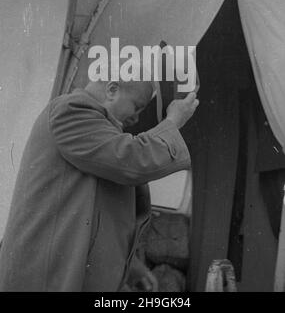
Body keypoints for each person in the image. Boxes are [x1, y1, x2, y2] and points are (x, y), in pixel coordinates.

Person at [0, 72, 198, 291]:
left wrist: (130, 268)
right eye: (137, 106)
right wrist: (173, 121)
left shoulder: (97, 132)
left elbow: (98, 215)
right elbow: (133, 160)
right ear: (112, 90)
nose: (136, 118)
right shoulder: (71, 110)